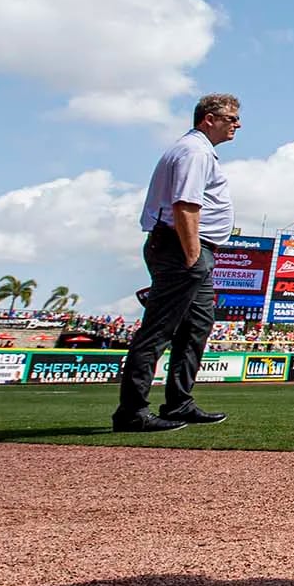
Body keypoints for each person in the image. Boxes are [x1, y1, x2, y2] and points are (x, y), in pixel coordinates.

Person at [113, 94, 240, 432]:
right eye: (230, 118)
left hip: (189, 249)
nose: (236, 125)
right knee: (158, 330)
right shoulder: (195, 151)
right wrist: (192, 255)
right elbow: (185, 205)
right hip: (180, 247)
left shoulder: (198, 150)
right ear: (208, 119)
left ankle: (178, 403)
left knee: (196, 328)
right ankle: (131, 412)